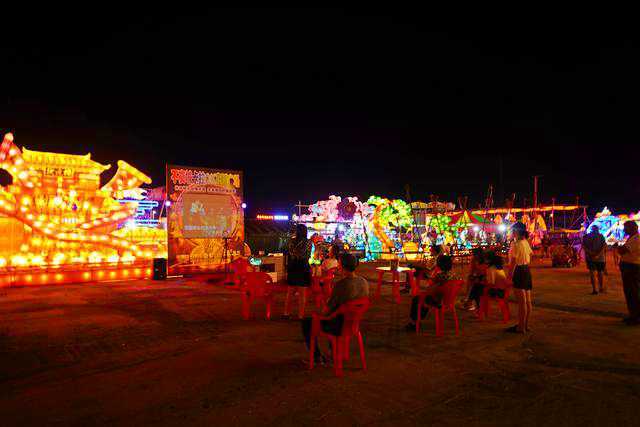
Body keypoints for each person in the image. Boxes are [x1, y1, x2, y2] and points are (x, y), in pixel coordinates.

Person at [301, 253, 369, 364]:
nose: (337, 267)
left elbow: (327, 311)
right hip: (353, 324)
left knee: (307, 322)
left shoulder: (341, 285)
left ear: (342, 266)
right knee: (335, 315)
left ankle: (317, 357)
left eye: (339, 264)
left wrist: (320, 311)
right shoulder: (364, 282)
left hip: (339, 326)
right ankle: (333, 352)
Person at [406, 255, 458, 330]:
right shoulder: (453, 275)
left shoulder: (439, 275)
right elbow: (440, 284)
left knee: (417, 299)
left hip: (438, 301)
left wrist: (424, 287)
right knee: (424, 299)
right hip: (448, 300)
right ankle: (418, 319)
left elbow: (430, 289)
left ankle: (414, 322)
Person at [507, 223, 533, 334]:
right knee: (527, 301)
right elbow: (530, 255)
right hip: (526, 270)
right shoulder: (525, 242)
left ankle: (520, 327)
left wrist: (509, 277)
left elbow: (513, 262)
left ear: (516, 231)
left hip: (519, 271)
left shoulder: (515, 244)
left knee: (522, 302)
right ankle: (525, 325)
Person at [284, 224, 313, 319]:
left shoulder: (291, 241)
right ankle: (301, 315)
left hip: (293, 267)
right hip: (304, 267)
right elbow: (308, 255)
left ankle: (286, 313)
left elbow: (288, 254)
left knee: (290, 293)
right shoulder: (308, 242)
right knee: (302, 294)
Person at [617, 221, 640, 325]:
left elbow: (623, 250)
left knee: (632, 292)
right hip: (630, 267)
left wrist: (619, 247)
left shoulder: (636, 239)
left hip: (632, 268)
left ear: (632, 228)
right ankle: (633, 315)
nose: (624, 230)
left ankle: (636, 317)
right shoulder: (632, 238)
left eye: (625, 228)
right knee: (631, 292)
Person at [583, 225, 607, 294]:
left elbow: (584, 247)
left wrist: (591, 253)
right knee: (600, 273)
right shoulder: (601, 236)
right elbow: (604, 246)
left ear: (591, 229)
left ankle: (594, 289)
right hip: (600, 258)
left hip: (590, 258)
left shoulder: (586, 236)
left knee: (592, 273)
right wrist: (598, 255)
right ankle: (601, 288)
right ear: (597, 229)